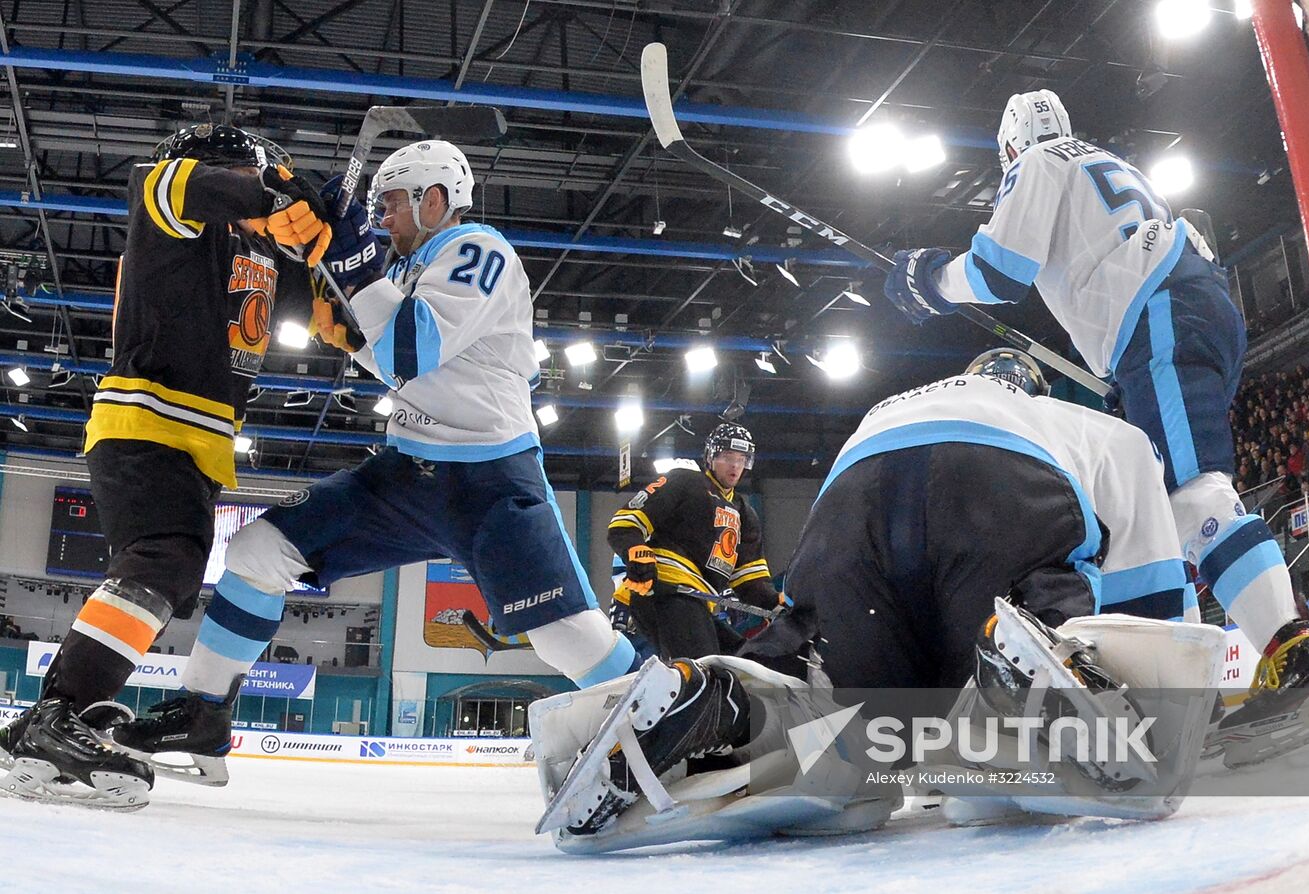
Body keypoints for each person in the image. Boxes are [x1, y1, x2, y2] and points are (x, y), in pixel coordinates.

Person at [531, 351, 1223, 850]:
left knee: (839, 738)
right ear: (1029, 384)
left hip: (853, 502)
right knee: (1010, 669)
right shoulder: (1063, 418)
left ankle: (725, 700)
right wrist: (1171, 704)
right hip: (995, 485)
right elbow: (1152, 593)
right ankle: (1019, 653)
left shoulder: (889, 408)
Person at [107, 139, 637, 784]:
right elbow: (394, 360)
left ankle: (653, 721)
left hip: (489, 479)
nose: (382, 218)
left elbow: (411, 353)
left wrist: (356, 270)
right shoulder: (416, 265)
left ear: (435, 199)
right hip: (407, 470)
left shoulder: (478, 249)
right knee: (256, 555)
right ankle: (203, 711)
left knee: (565, 637)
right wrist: (354, 328)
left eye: (392, 203)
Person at [881, 90, 1309, 737]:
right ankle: (1204, 678)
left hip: (1158, 314)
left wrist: (928, 282)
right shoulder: (1104, 160)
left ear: (1010, 147)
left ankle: (1292, 649)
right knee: (1155, 498)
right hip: (1190, 306)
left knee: (1191, 496)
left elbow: (998, 271)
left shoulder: (1036, 164)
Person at [0, 124, 331, 808]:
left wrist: (333, 237)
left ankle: (56, 716)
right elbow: (177, 184)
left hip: (192, 443)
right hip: (148, 421)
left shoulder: (257, 250)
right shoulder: (173, 206)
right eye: (252, 177)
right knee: (163, 561)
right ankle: (57, 714)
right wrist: (273, 188)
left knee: (162, 573)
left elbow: (321, 308)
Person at [606, 423, 784, 661]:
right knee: (703, 673)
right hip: (666, 591)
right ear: (710, 457)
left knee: (742, 665)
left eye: (741, 459)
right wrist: (637, 551)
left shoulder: (745, 513)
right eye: (728, 457)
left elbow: (750, 580)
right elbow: (626, 522)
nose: (735, 466)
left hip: (698, 602)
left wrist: (776, 602)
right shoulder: (685, 481)